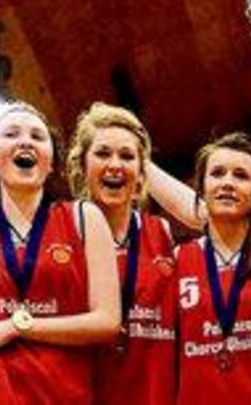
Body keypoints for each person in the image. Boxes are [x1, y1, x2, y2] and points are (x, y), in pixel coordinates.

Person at [0, 100, 120, 404]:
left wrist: (15, 326)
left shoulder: (82, 217)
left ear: (51, 161)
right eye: (11, 134)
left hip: (68, 393)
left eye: (37, 137)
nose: (25, 141)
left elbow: (106, 321)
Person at [66, 102, 177, 405]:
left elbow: (202, 215)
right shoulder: (61, 232)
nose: (115, 165)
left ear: (143, 174)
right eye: (102, 154)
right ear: (81, 166)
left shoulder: (162, 233)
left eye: (127, 156)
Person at [174, 132, 251, 404]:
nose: (227, 183)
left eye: (241, 175)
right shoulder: (178, 259)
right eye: (217, 173)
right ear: (201, 188)